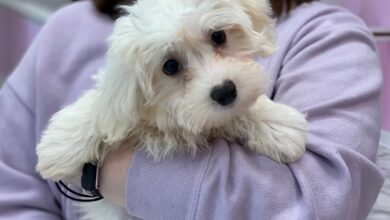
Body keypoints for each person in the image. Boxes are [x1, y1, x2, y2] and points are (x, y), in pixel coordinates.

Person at [0, 0, 384, 219]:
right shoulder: (67, 27)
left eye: (218, 39)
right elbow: (12, 192)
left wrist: (102, 170)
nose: (217, 79)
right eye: (171, 67)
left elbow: (324, 202)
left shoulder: (325, 35)